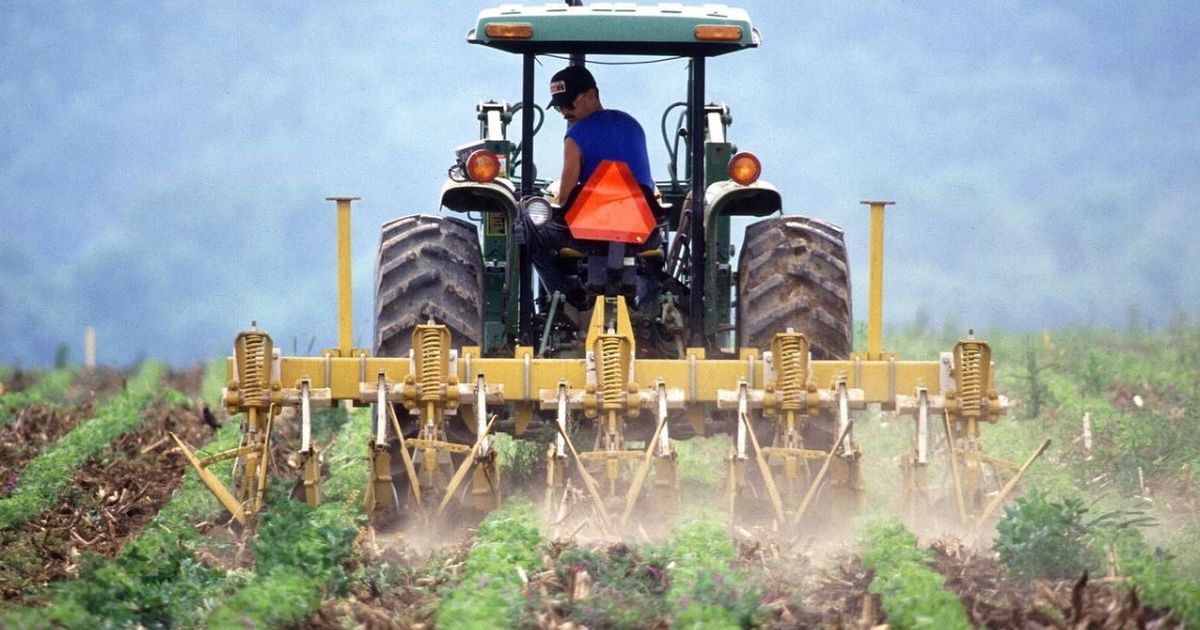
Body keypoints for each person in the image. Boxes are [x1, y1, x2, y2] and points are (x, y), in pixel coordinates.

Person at [524, 65, 660, 304]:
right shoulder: (633, 126)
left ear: (592, 95)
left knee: (527, 226)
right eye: (559, 107)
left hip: (589, 237)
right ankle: (649, 304)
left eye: (569, 104)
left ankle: (566, 294)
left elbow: (564, 200)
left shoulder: (575, 137)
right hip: (643, 232)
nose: (565, 112)